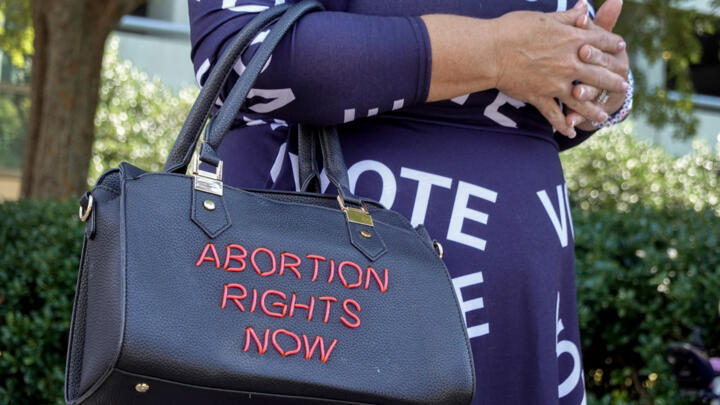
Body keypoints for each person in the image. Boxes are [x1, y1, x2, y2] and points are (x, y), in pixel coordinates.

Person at [187, 0, 632, 403]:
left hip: (519, 299)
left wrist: (601, 82)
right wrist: (494, 51)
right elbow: (241, 51)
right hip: (318, 282)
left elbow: (540, 91)